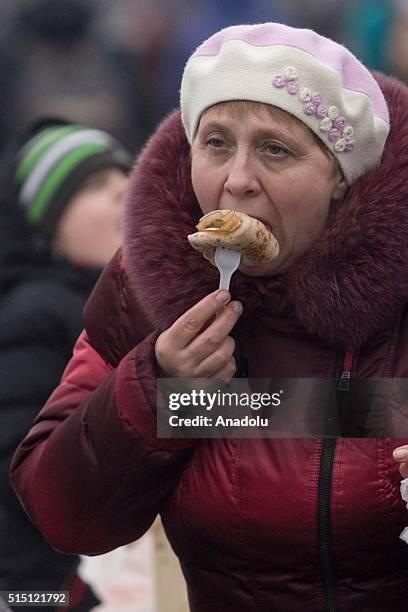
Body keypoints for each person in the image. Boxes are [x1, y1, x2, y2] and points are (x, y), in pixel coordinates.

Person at [9, 22, 408, 610]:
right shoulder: (146, 289)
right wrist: (163, 390)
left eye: (276, 149)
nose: (236, 181)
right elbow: (67, 519)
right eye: (216, 143)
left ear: (341, 182)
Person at [0, 119, 131, 606]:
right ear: (48, 226)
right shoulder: (35, 313)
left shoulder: (110, 303)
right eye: (95, 185)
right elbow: (21, 478)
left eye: (126, 176)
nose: (124, 191)